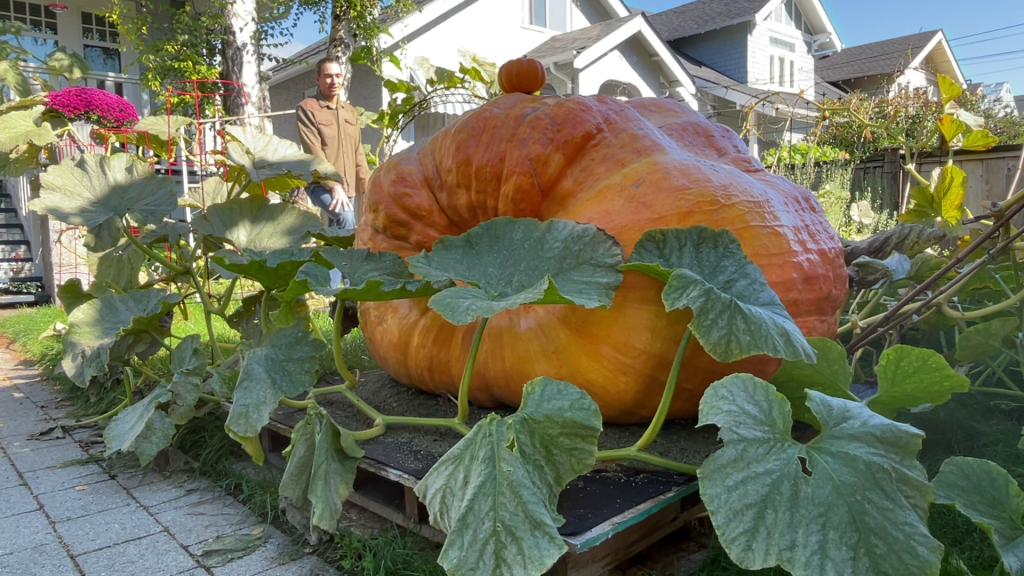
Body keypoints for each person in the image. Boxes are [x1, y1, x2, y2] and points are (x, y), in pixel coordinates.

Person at [295, 56, 371, 230]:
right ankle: (351, 258)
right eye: (328, 76)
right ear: (318, 78)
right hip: (320, 184)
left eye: (338, 76)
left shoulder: (350, 111)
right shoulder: (308, 108)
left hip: (349, 185)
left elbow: (358, 152)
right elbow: (314, 152)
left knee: (335, 233)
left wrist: (367, 189)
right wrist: (334, 185)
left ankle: (329, 256)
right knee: (346, 219)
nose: (334, 81)